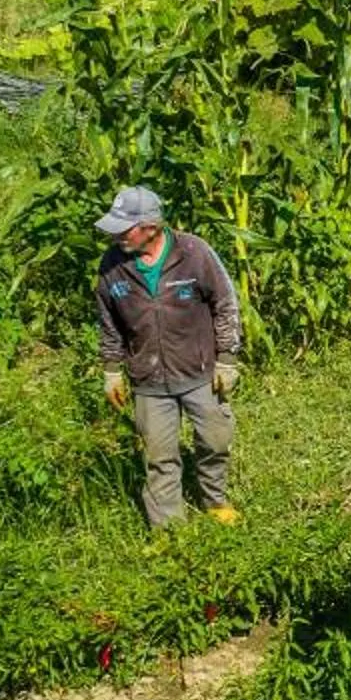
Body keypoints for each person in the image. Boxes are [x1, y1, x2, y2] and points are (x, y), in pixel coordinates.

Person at [93, 185, 244, 530]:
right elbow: (109, 324)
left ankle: (215, 500)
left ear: (150, 226)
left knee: (214, 440)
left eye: (124, 228)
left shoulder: (194, 252)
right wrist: (112, 370)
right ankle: (169, 530)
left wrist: (227, 360)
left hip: (201, 371)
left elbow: (225, 305)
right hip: (148, 379)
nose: (116, 236)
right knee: (159, 458)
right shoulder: (111, 266)